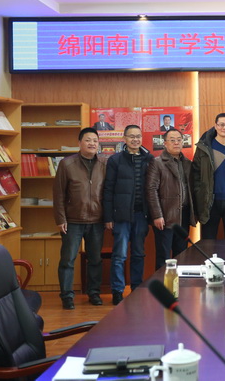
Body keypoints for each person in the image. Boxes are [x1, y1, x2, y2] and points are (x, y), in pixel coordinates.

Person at [53, 127, 107, 309]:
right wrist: (60, 219)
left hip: (97, 220)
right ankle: (67, 296)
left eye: (95, 141)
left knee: (95, 259)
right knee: (68, 259)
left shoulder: (104, 164)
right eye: (88, 140)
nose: (92, 143)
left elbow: (108, 192)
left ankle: (94, 293)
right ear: (79, 143)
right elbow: (58, 194)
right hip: (72, 220)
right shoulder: (67, 164)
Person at [103, 125, 154, 305]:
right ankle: (117, 291)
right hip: (121, 216)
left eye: (138, 136)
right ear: (124, 139)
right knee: (119, 255)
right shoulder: (115, 160)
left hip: (141, 215)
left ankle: (136, 288)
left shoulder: (149, 159)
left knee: (139, 254)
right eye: (131, 136)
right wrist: (108, 217)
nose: (135, 139)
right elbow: (108, 189)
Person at [146, 128, 196, 269]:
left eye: (179, 140)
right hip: (165, 217)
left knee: (182, 256)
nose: (176, 143)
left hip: (183, 216)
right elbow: (151, 190)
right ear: (165, 143)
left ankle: (179, 283)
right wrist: (157, 215)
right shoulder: (157, 162)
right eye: (172, 140)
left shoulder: (187, 163)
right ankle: (163, 283)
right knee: (164, 257)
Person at [192, 113, 225, 239]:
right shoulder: (204, 147)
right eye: (221, 124)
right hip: (209, 201)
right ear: (215, 126)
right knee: (208, 241)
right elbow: (195, 175)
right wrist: (199, 197)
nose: (224, 128)